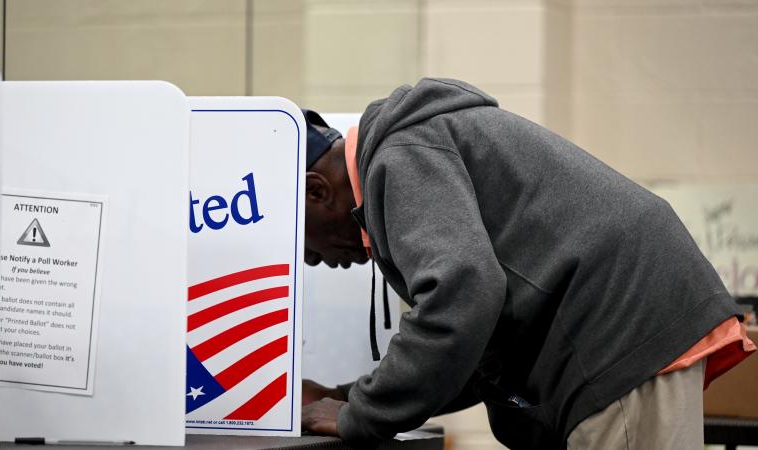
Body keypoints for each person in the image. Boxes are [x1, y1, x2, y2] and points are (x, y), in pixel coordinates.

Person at [299, 78, 755, 449]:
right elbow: (469, 345)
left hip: (618, 334)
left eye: (304, 244)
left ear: (317, 190)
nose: (315, 260)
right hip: (628, 323)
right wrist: (350, 398)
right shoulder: (416, 144)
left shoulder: (399, 157)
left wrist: (362, 414)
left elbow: (459, 299)